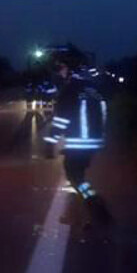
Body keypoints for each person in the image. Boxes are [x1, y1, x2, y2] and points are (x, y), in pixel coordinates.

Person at [44, 50, 111, 224]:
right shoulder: (92, 88)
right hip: (93, 140)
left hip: (79, 141)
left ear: (69, 69)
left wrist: (50, 144)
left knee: (75, 177)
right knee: (77, 176)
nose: (59, 72)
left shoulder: (70, 89)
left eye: (61, 68)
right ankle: (89, 213)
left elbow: (61, 120)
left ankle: (96, 207)